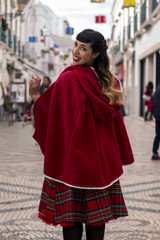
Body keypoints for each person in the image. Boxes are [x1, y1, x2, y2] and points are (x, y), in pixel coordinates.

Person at [29, 29, 134, 240]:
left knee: (72, 220)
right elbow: (116, 125)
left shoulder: (69, 79)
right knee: (97, 221)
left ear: (96, 53)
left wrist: (34, 94)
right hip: (100, 167)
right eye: (76, 44)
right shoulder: (109, 82)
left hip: (73, 166)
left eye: (83, 48)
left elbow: (52, 116)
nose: (75, 51)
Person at [151, 83, 160, 161]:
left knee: (158, 135)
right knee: (158, 135)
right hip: (159, 116)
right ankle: (155, 153)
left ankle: (155, 152)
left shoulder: (157, 89)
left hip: (157, 115)